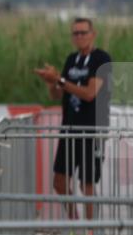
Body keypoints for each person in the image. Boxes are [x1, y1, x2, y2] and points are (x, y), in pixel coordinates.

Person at [33, 16, 112, 222]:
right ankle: (76, 225)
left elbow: (89, 94)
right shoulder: (71, 59)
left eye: (83, 32)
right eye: (75, 33)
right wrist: (51, 82)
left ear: (93, 34)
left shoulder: (101, 59)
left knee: (86, 185)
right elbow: (57, 95)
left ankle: (91, 231)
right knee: (59, 183)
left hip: (92, 130)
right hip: (69, 129)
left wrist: (59, 79)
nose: (79, 36)